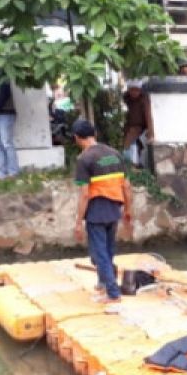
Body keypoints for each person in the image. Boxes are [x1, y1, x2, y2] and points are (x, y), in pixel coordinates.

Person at [72, 119, 132, 305]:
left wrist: (78, 222)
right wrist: (128, 210)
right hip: (114, 208)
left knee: (100, 254)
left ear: (77, 138)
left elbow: (84, 195)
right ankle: (102, 282)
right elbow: (127, 186)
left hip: (96, 210)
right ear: (95, 134)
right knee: (107, 249)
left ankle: (113, 293)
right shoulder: (115, 154)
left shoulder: (84, 159)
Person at [121, 79, 153, 165]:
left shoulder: (144, 99)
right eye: (132, 90)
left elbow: (148, 116)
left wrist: (150, 132)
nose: (134, 92)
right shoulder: (125, 98)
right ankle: (131, 164)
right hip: (128, 127)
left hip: (140, 128)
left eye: (137, 90)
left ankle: (133, 164)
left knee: (132, 146)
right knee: (129, 146)